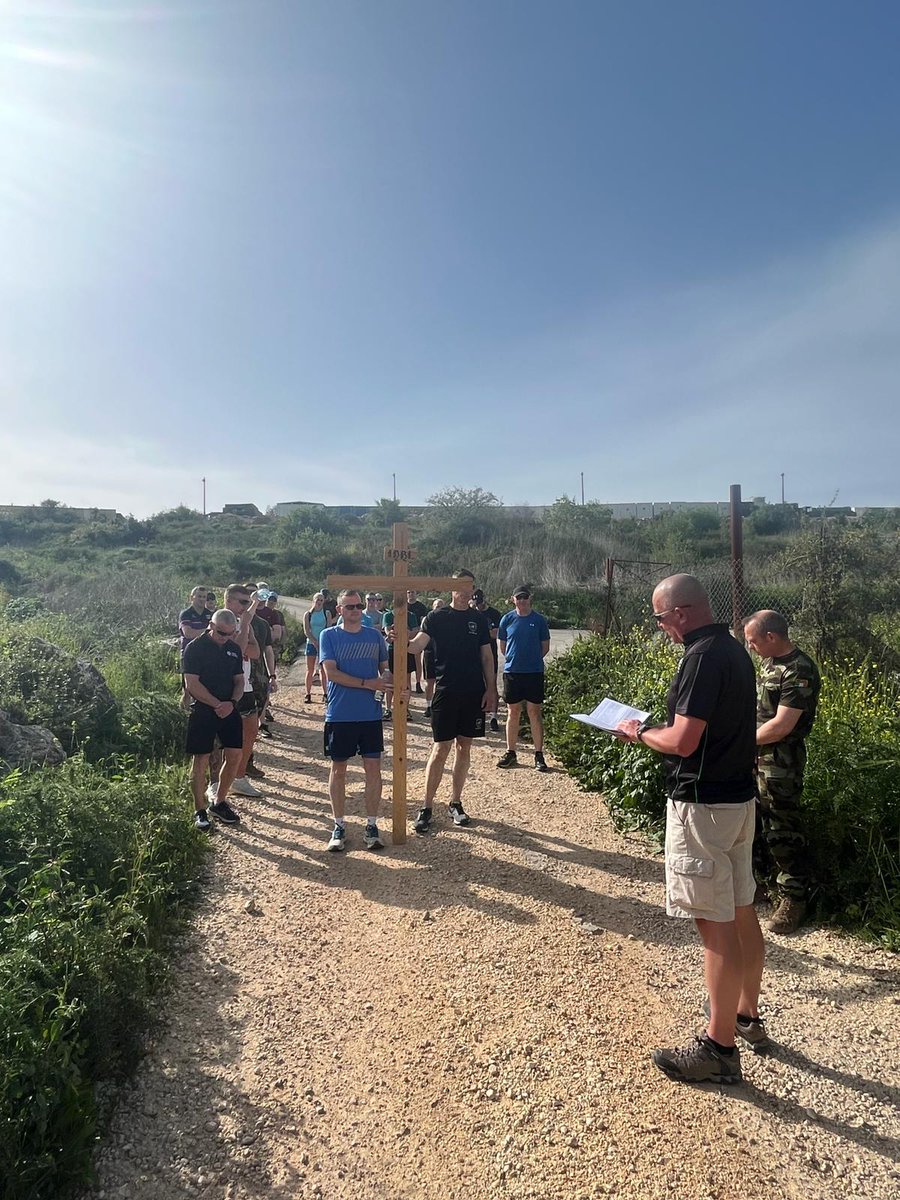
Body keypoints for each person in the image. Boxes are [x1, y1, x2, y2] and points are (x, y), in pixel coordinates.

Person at [616, 574, 764, 1085]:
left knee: (713, 922)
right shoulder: (734, 650)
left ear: (680, 612)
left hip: (703, 806)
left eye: (659, 619)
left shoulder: (701, 657)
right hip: (739, 800)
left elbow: (682, 741)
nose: (660, 629)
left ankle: (718, 1047)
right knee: (741, 908)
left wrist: (639, 733)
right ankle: (745, 1015)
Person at [744, 610, 821, 934]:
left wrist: (740, 743)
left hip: (781, 762)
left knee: (781, 827)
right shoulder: (769, 663)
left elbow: (781, 725)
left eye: (753, 641)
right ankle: (762, 885)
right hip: (756, 755)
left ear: (772, 637)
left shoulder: (799, 670)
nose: (751, 647)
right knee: (754, 821)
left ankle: (794, 898)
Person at [404, 571, 496, 832]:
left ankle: (455, 802)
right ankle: (426, 806)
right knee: (440, 748)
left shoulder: (478, 620)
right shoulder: (436, 617)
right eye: (460, 586)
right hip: (445, 690)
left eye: (469, 586)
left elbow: (487, 658)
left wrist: (491, 690)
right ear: (450, 588)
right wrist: (401, 641)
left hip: (472, 691)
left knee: (464, 747)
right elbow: (417, 645)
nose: (465, 591)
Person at [318, 589, 394, 852]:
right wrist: (367, 683)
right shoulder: (328, 635)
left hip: (370, 715)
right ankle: (338, 824)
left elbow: (385, 668)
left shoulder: (374, 636)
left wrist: (388, 680)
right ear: (339, 609)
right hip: (340, 714)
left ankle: (371, 824)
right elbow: (331, 673)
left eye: (359, 606)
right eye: (349, 607)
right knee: (339, 770)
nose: (355, 610)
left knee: (373, 770)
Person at [183, 609, 245, 829]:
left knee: (235, 755)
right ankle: (199, 810)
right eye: (221, 633)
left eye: (230, 634)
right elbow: (192, 684)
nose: (225, 638)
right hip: (204, 708)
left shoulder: (234, 649)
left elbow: (239, 681)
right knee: (201, 760)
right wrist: (216, 704)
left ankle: (218, 802)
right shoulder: (195, 648)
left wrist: (232, 704)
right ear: (211, 625)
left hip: (228, 708)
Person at [208, 584, 269, 804]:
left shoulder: (245, 623)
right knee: (217, 741)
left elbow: (254, 651)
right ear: (229, 601)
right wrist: (243, 632)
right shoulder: (220, 622)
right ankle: (214, 784)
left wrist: (244, 635)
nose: (247, 606)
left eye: (248, 602)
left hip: (245, 686)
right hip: (223, 689)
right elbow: (238, 649)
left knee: (250, 732)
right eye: (243, 602)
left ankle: (238, 778)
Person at [496, 588, 551, 770]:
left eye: (525, 597)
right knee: (513, 711)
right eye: (519, 598)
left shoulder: (539, 620)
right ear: (513, 600)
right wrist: (516, 659)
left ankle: (538, 755)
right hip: (513, 672)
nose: (522, 600)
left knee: (534, 712)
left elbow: (545, 647)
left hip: (534, 672)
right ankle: (511, 752)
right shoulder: (507, 619)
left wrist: (531, 660)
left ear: (530, 599)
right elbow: (503, 647)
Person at [471, 589, 502, 730]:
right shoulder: (472, 613)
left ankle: (494, 716)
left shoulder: (494, 614)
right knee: (476, 685)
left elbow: (497, 633)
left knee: (492, 684)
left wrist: (482, 633)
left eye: (480, 603)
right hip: (474, 654)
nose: (478, 606)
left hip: (490, 652)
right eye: (476, 603)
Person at [382, 601, 418, 721]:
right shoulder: (388, 615)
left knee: (406, 680)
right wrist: (395, 633)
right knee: (390, 680)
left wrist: (405, 634)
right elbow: (388, 630)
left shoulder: (411, 615)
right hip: (393, 650)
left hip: (407, 649)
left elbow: (415, 632)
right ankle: (388, 708)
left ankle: (405, 708)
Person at [179, 586, 212, 710]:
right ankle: (184, 716)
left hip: (207, 655)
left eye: (204, 597)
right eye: (199, 596)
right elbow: (188, 633)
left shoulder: (210, 614)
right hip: (189, 654)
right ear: (192, 597)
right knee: (188, 689)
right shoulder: (186, 614)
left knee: (205, 688)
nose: (202, 599)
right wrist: (208, 630)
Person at [303, 592, 333, 703]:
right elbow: (306, 630)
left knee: (323, 670)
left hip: (323, 644)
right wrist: (314, 641)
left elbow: (328, 628)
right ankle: (308, 693)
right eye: (317, 600)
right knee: (310, 670)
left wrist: (322, 642)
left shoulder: (327, 613)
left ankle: (325, 693)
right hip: (311, 644)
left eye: (321, 600)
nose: (319, 602)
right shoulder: (308, 614)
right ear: (313, 601)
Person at [422, 598, 444, 716]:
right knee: (429, 680)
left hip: (443, 653)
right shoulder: (428, 619)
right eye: (436, 606)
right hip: (429, 652)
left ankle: (439, 704)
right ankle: (429, 705)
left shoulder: (447, 620)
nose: (438, 608)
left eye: (441, 606)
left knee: (442, 682)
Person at [406, 590, 429, 694]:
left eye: (413, 592)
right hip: (405, 637)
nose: (411, 594)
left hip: (417, 635)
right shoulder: (403, 605)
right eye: (409, 592)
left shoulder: (421, 607)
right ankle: (406, 684)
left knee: (417, 661)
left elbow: (424, 622)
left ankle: (418, 682)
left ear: (416, 593)